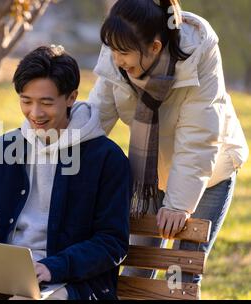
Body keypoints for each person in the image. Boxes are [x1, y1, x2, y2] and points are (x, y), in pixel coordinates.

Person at [0, 46, 132, 300]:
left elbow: (112, 242)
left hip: (72, 282)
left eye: (46, 102)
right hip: (3, 275)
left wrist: (52, 267)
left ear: (71, 97)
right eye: (26, 101)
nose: (35, 113)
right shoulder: (2, 150)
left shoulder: (106, 159)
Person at [87, 0, 249, 284]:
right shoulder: (118, 53)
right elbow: (94, 118)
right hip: (149, 178)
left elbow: (199, 137)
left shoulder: (199, 54)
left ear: (155, 47)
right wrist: (56, 152)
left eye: (123, 53)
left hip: (209, 174)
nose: (117, 59)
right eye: (112, 50)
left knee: (180, 276)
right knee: (136, 271)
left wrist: (178, 205)